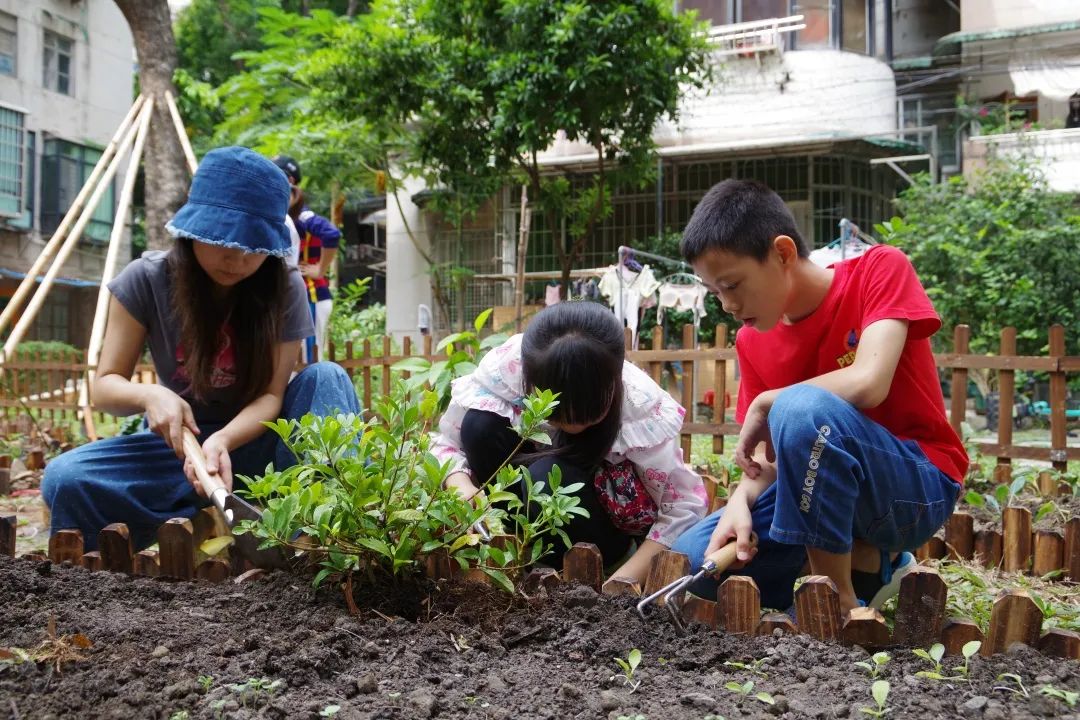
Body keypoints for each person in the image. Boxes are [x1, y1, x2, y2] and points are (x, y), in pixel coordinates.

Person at [42, 147, 361, 551]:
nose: (237, 258)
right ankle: (189, 514)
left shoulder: (285, 286)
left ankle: (313, 539)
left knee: (327, 377)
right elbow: (105, 387)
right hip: (178, 452)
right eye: (224, 239)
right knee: (65, 478)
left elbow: (271, 396)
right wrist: (151, 395)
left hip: (261, 446)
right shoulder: (145, 279)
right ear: (194, 228)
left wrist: (223, 441)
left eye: (254, 246)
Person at [671, 179, 967, 613]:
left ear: (782, 253)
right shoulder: (752, 341)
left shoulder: (878, 270)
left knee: (801, 410)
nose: (727, 305)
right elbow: (773, 455)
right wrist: (741, 500)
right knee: (695, 557)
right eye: (715, 293)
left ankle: (836, 602)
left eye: (732, 285)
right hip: (813, 492)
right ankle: (869, 565)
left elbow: (869, 381)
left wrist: (771, 400)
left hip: (912, 485)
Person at [430, 301, 707, 586]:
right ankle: (515, 551)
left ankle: (597, 567)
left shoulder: (639, 405)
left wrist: (623, 580)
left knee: (547, 479)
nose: (571, 425)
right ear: (529, 378)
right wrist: (461, 486)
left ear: (614, 380)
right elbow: (445, 443)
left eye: (587, 414)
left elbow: (683, 506)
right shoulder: (509, 368)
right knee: (479, 425)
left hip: (598, 526)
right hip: (524, 511)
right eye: (556, 413)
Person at [272, 155, 341, 360]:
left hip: (311, 295)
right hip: (295, 296)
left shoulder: (302, 215)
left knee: (310, 357)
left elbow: (332, 234)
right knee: (295, 357)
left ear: (290, 181)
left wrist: (320, 269)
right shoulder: (283, 215)